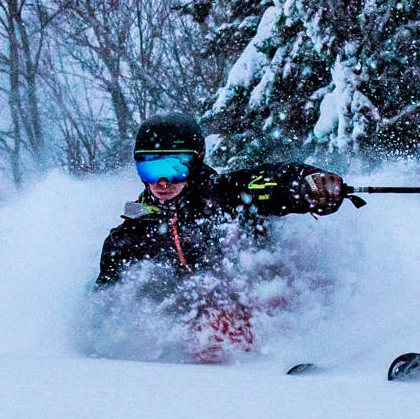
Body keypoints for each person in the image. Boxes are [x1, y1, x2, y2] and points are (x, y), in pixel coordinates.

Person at [95, 114, 357, 362]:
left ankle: (321, 343)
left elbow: (266, 182)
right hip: (193, 332)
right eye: (150, 170)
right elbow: (106, 305)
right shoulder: (130, 236)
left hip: (265, 301)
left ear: (195, 164)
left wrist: (306, 184)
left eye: (174, 169)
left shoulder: (223, 195)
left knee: (282, 274)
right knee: (208, 321)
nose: (162, 182)